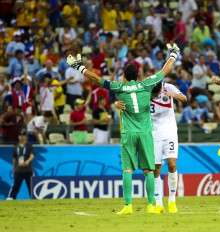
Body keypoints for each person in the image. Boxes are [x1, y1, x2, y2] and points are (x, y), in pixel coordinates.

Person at [66, 43, 180, 214]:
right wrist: (173, 55)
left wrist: (79, 67)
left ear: (124, 76)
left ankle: (128, 206)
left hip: (128, 133)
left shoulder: (119, 87)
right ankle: (151, 206)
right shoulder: (146, 85)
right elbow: (165, 71)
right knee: (149, 170)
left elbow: (96, 79)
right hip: (145, 133)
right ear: (139, 74)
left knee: (127, 169)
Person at [115, 81, 187, 213]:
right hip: (152, 133)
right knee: (156, 168)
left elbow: (184, 98)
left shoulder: (168, 87)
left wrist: (173, 95)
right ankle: (159, 203)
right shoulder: (143, 90)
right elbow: (128, 99)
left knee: (172, 163)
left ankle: (172, 199)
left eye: (156, 93)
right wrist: (116, 104)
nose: (154, 96)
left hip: (169, 131)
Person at [7, 129, 35, 200]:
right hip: (19, 170)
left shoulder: (29, 145)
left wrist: (28, 161)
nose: (22, 137)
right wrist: (13, 169)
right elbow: (14, 159)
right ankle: (11, 197)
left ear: (25, 137)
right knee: (16, 185)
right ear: (18, 137)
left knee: (31, 186)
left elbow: (32, 155)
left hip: (28, 170)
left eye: (23, 135)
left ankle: (34, 198)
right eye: (20, 135)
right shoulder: (16, 147)